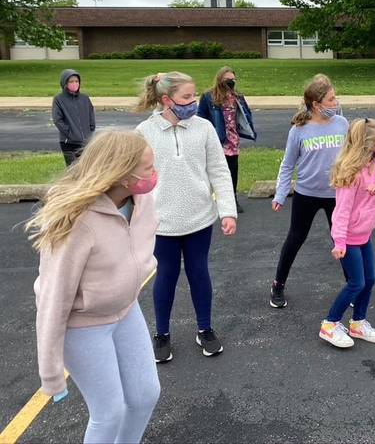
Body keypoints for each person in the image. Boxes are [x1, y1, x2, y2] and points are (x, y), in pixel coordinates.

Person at [29, 130, 160, 444]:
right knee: (109, 412)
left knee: (145, 396)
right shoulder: (77, 221)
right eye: (147, 169)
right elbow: (53, 297)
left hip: (126, 311)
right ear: (121, 175)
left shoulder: (142, 200)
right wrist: (50, 372)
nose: (154, 174)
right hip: (83, 325)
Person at [135, 71, 237, 363]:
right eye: (187, 97)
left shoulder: (203, 128)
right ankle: (162, 333)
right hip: (162, 223)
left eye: (194, 96)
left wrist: (227, 211)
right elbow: (133, 179)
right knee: (166, 276)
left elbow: (219, 171)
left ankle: (204, 328)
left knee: (199, 273)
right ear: (167, 100)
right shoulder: (145, 132)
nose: (194, 102)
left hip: (199, 220)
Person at [270, 74, 349, 308]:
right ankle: (278, 284)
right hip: (306, 195)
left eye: (335, 99)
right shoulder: (299, 130)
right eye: (331, 100)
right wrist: (280, 193)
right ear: (316, 104)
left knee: (342, 238)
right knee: (295, 238)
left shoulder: (342, 124)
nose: (335, 104)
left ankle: (353, 285)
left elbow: (350, 158)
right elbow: (287, 164)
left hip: (336, 195)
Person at [319, 118, 375, 348]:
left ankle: (358, 323)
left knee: (369, 280)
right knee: (356, 283)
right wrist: (340, 241)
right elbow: (341, 211)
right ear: (368, 144)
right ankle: (330, 324)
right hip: (349, 238)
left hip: (364, 235)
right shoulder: (351, 172)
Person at [198, 66, 257, 213]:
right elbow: (201, 117)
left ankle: (233, 200)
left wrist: (246, 128)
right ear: (219, 80)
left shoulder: (237, 97)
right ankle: (211, 200)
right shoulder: (208, 96)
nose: (230, 83)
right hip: (217, 140)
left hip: (232, 140)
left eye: (232, 80)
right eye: (227, 80)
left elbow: (245, 114)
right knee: (214, 171)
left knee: (232, 171)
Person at [52, 69, 95, 166]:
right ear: (65, 83)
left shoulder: (85, 98)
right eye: (71, 81)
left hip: (85, 142)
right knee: (72, 169)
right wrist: (70, 133)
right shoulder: (59, 99)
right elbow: (57, 119)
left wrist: (90, 130)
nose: (74, 83)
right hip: (68, 143)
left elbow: (91, 114)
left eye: (76, 81)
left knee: (85, 168)